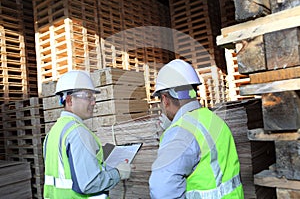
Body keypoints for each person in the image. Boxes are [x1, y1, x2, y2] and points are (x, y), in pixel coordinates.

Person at [149, 59, 244, 198]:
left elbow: (162, 191)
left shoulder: (180, 133)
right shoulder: (214, 120)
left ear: (165, 99)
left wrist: (172, 134)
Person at [43, 70, 131, 199]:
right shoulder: (77, 132)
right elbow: (89, 184)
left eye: (93, 97)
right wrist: (118, 173)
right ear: (69, 100)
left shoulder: (52, 133)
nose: (93, 102)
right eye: (88, 97)